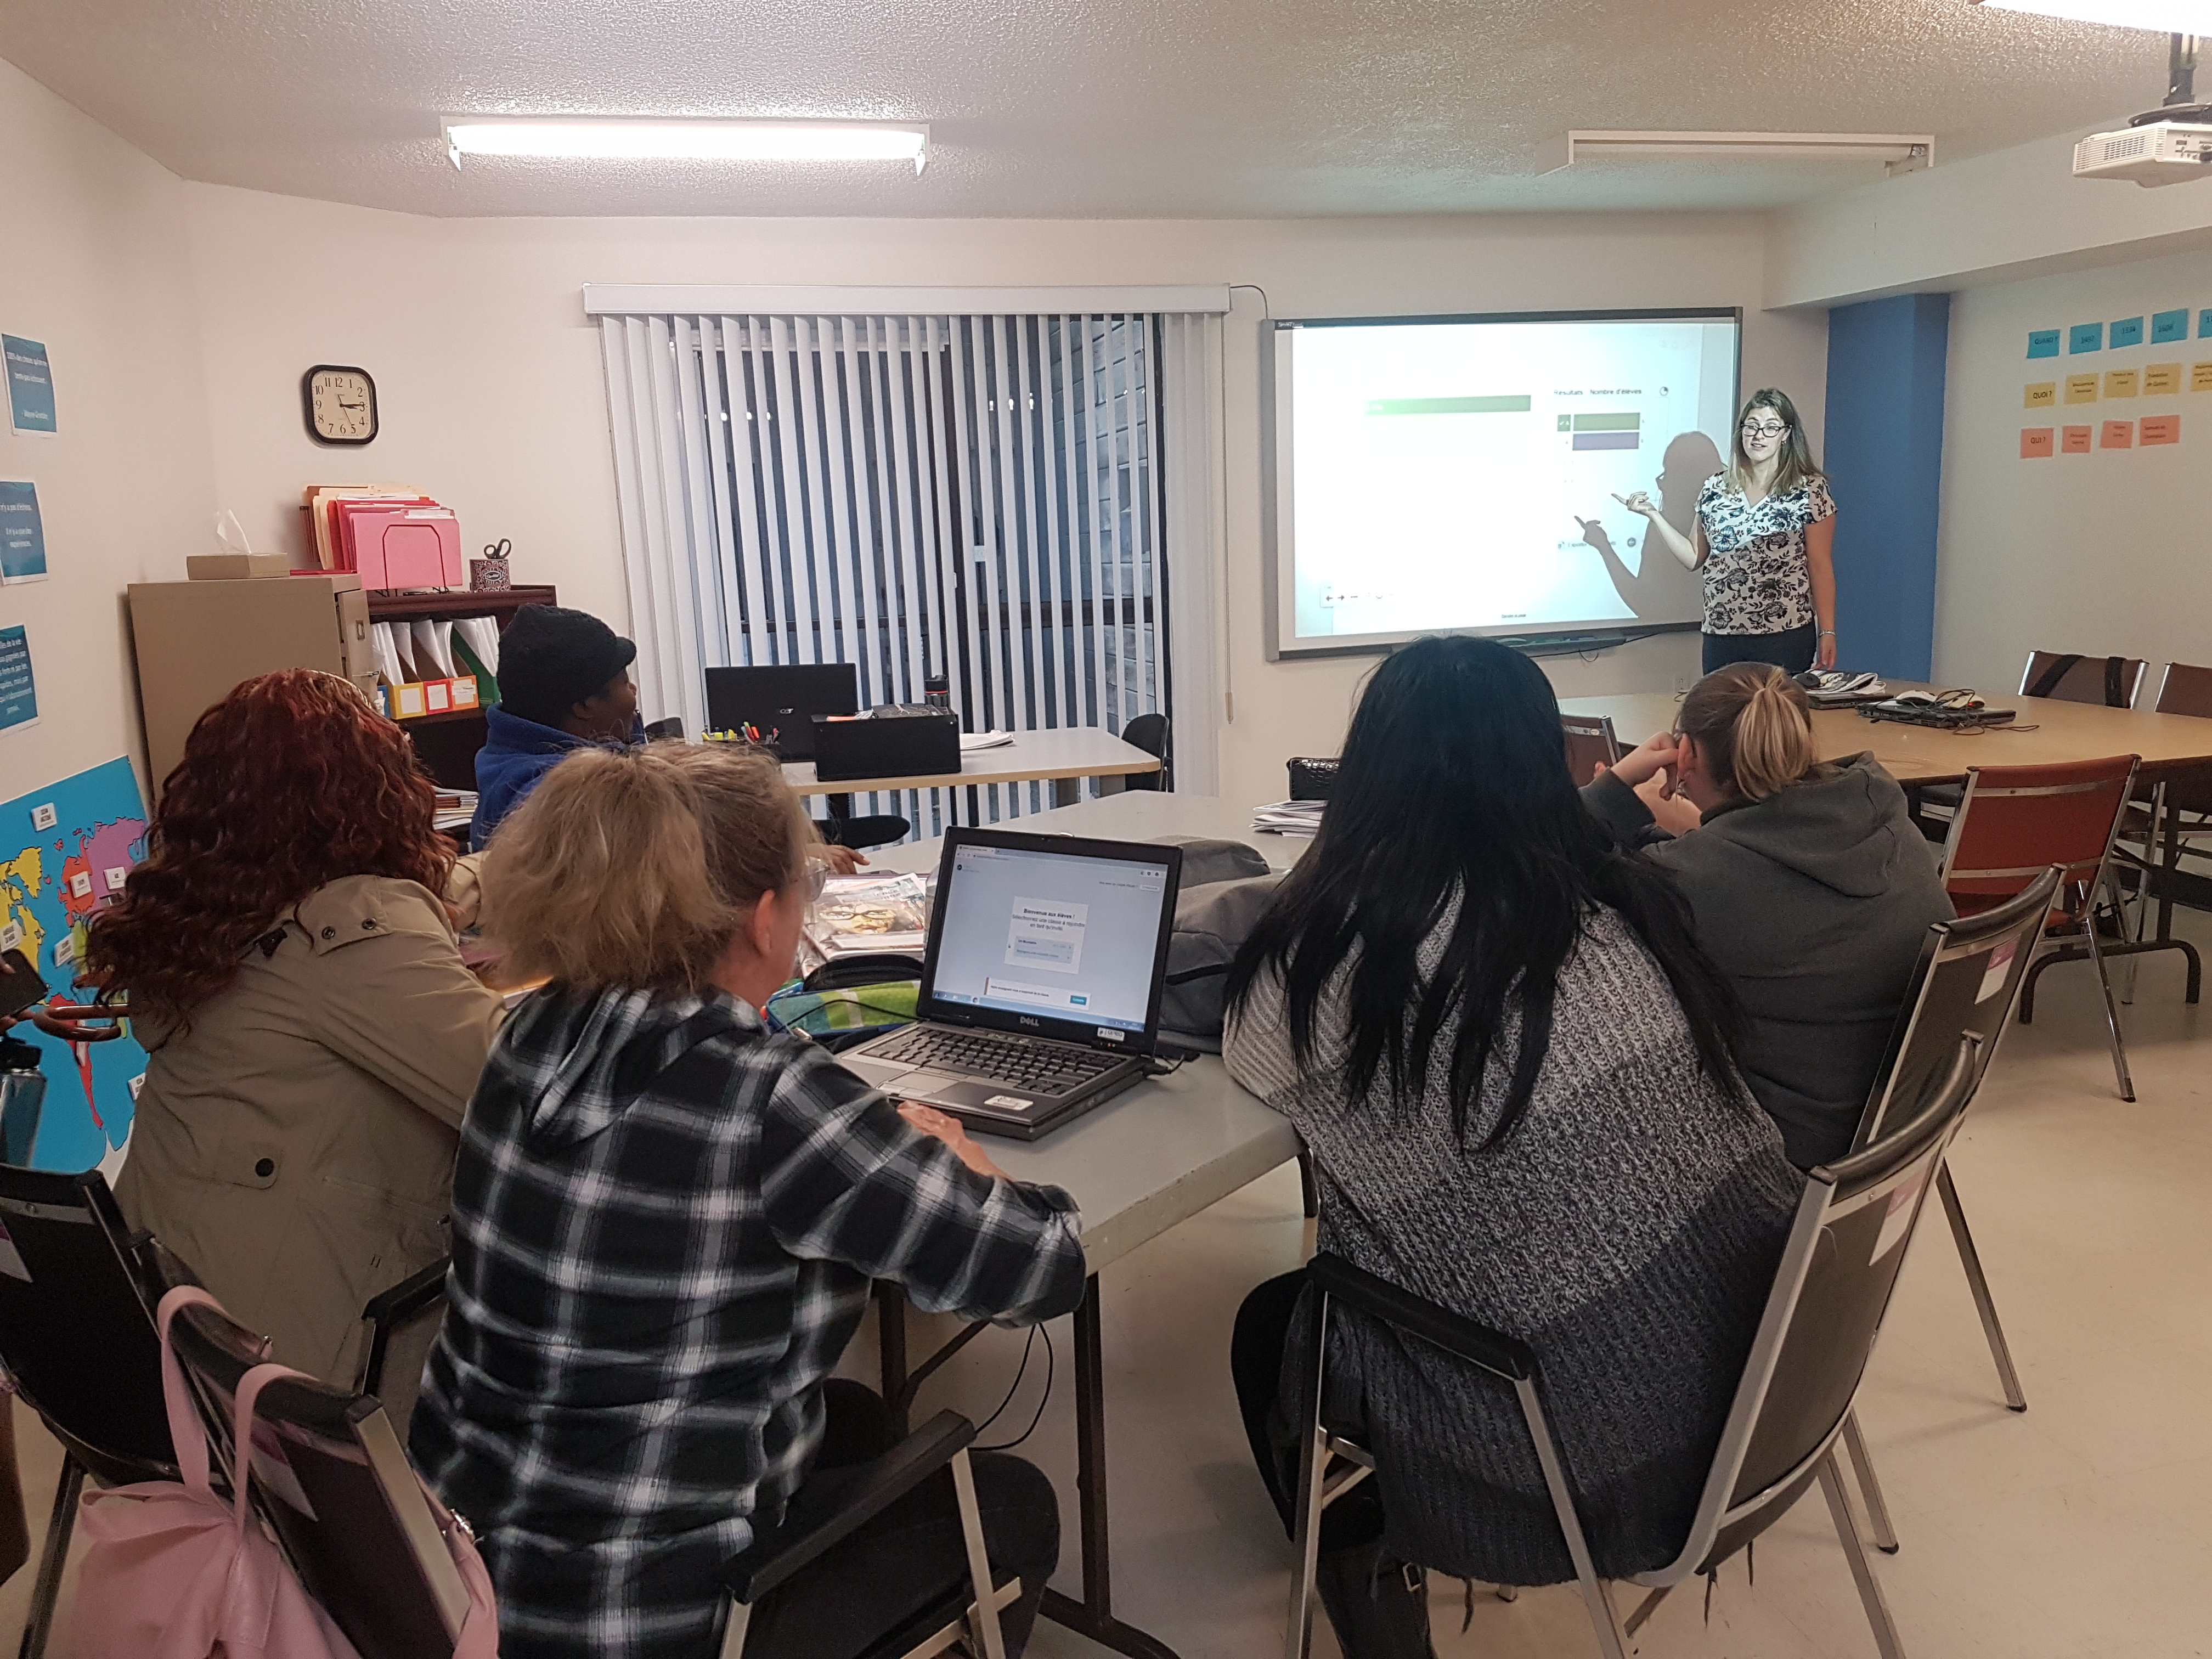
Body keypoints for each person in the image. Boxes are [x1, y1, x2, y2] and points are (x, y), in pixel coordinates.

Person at [410, 742, 1087, 1659]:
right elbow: (1041, 1268)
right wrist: (969, 1161)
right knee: (1014, 1505)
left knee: (855, 1417)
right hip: (640, 1619)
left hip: (462, 1577)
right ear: (766, 918)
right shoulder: (770, 1097)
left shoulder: (528, 1033)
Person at [1222, 636, 1801, 1658]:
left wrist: (1337, 863)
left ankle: (1381, 1601)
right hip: (1756, 1397)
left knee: (1274, 1324)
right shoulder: (1624, 911)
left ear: (1370, 776)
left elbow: (1250, 1047)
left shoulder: (1341, 960)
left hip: (1574, 1452)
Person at [88, 670, 504, 1422]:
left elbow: (418, 906)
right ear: (374, 790)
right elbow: (517, 1086)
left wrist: (510, 874)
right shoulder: (344, 934)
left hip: (162, 1325)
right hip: (296, 1374)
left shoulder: (205, 912)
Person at [1583, 662, 1953, 1167]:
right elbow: (1748, 862)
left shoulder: (1693, 880)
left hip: (1782, 1155)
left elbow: (1547, 868)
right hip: (1899, 1133)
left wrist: (1613, 792)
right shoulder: (1885, 816)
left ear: (1686, 756)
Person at [1611, 388, 1838, 675]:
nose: (1758, 436)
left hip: (1784, 635)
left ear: (1786, 435)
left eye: (1770, 428)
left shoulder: (1809, 490)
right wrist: (1653, 514)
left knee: (1776, 706)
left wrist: (1827, 631)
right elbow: (1693, 557)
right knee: (1721, 705)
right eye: (1752, 427)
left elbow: (1820, 565)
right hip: (1721, 634)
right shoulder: (1715, 488)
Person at [470, 603, 646, 849]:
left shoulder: (506, 759)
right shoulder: (563, 800)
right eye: (625, 683)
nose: (633, 691)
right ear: (583, 707)